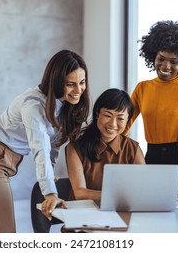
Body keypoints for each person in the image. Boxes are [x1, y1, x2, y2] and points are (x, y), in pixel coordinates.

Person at [0, 49, 90, 233]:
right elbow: (40, 148)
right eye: (71, 84)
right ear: (56, 81)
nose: (78, 90)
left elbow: (52, 145)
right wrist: (50, 193)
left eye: (82, 82)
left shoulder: (60, 104)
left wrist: (50, 176)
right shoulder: (33, 105)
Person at [30, 88, 145, 232]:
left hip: (122, 219)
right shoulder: (75, 147)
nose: (113, 124)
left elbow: (142, 191)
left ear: (128, 120)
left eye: (120, 118)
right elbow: (80, 193)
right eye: (108, 115)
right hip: (83, 220)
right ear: (97, 114)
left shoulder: (133, 148)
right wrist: (118, 196)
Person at [124, 20, 178, 196]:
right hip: (151, 161)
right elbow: (123, 125)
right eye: (161, 59)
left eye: (173, 61)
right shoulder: (142, 88)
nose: (166, 66)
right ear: (153, 55)